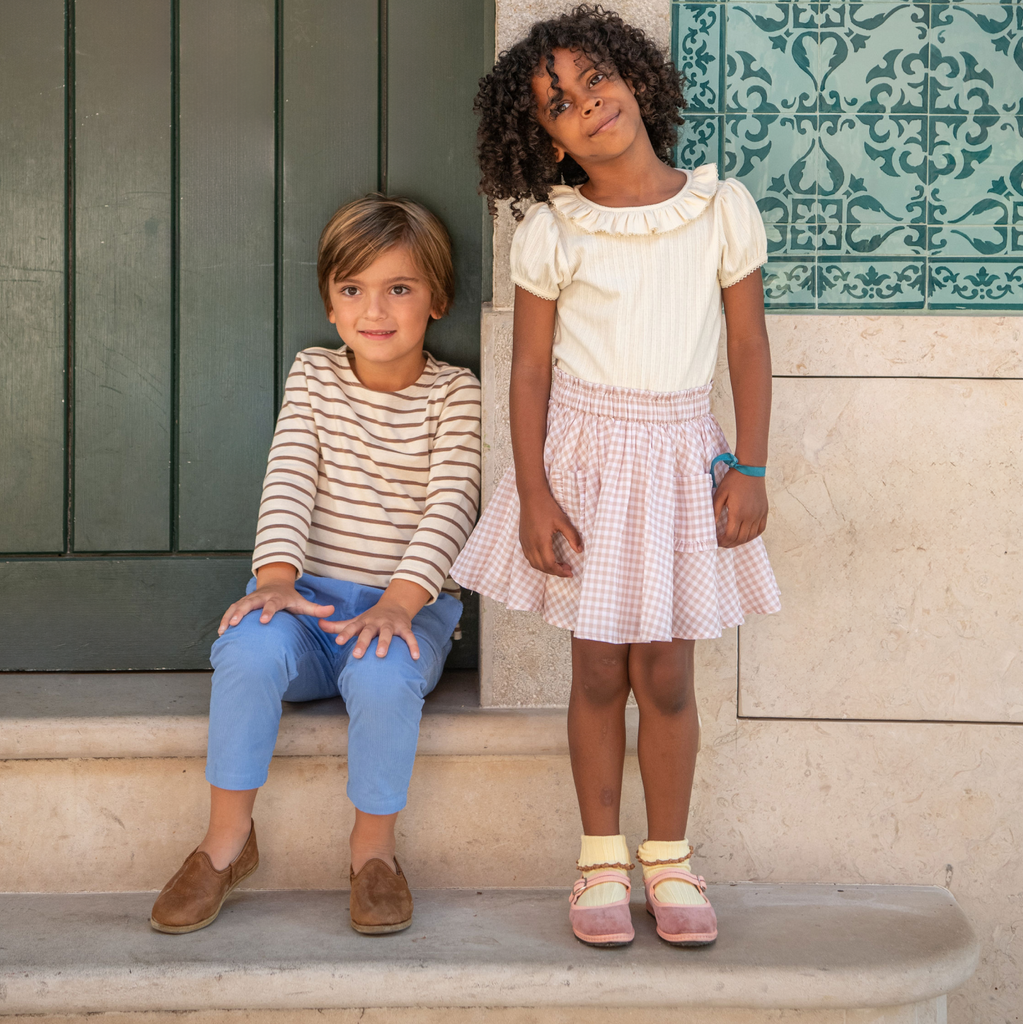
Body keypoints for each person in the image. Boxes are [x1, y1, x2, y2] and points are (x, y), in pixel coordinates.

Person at [452, 4, 780, 947]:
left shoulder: (718, 210)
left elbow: (748, 346)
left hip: (679, 462)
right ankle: (599, 860)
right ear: (546, 141)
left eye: (594, 78)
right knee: (597, 666)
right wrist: (534, 493)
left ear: (635, 79)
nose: (587, 103)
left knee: (666, 672)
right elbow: (527, 371)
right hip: (586, 466)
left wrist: (751, 465)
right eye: (558, 103)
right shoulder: (553, 232)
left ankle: (668, 858)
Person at [150, 195, 481, 936]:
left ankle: (374, 854)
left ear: (437, 299)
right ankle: (225, 843)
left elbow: (453, 504)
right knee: (245, 647)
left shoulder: (457, 396)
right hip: (307, 606)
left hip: (406, 610)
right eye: (352, 289)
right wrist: (274, 580)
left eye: (399, 288)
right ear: (330, 305)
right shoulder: (314, 375)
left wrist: (399, 602)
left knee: (383, 674)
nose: (374, 310)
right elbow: (290, 478)